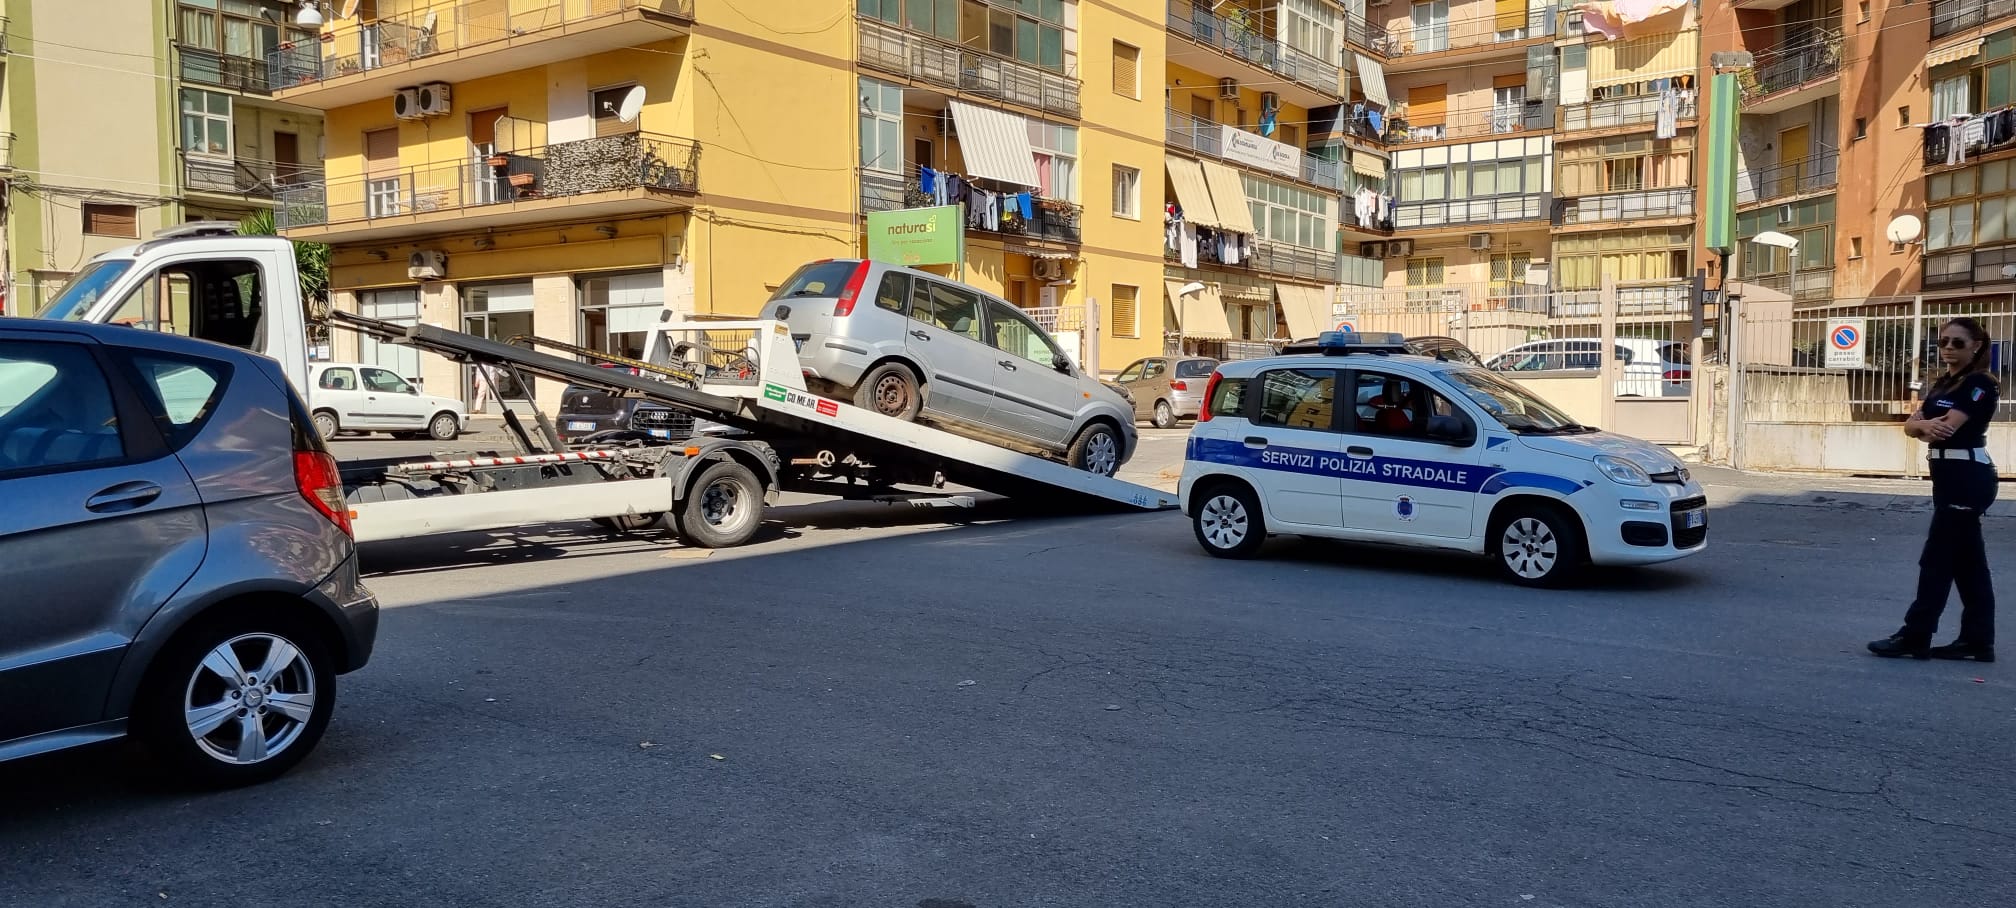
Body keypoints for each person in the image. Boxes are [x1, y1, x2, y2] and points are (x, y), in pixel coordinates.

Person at [1869, 317, 2001, 662]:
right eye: (1943, 342)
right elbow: (1913, 425)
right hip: (1947, 477)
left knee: (1937, 560)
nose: (1947, 348)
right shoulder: (1943, 383)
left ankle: (1916, 635)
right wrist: (1920, 426)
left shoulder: (1981, 383)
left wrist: (1921, 426)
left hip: (1968, 477)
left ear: (1976, 345)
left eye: (1957, 343)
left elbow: (1945, 429)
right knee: (1969, 564)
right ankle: (1977, 641)